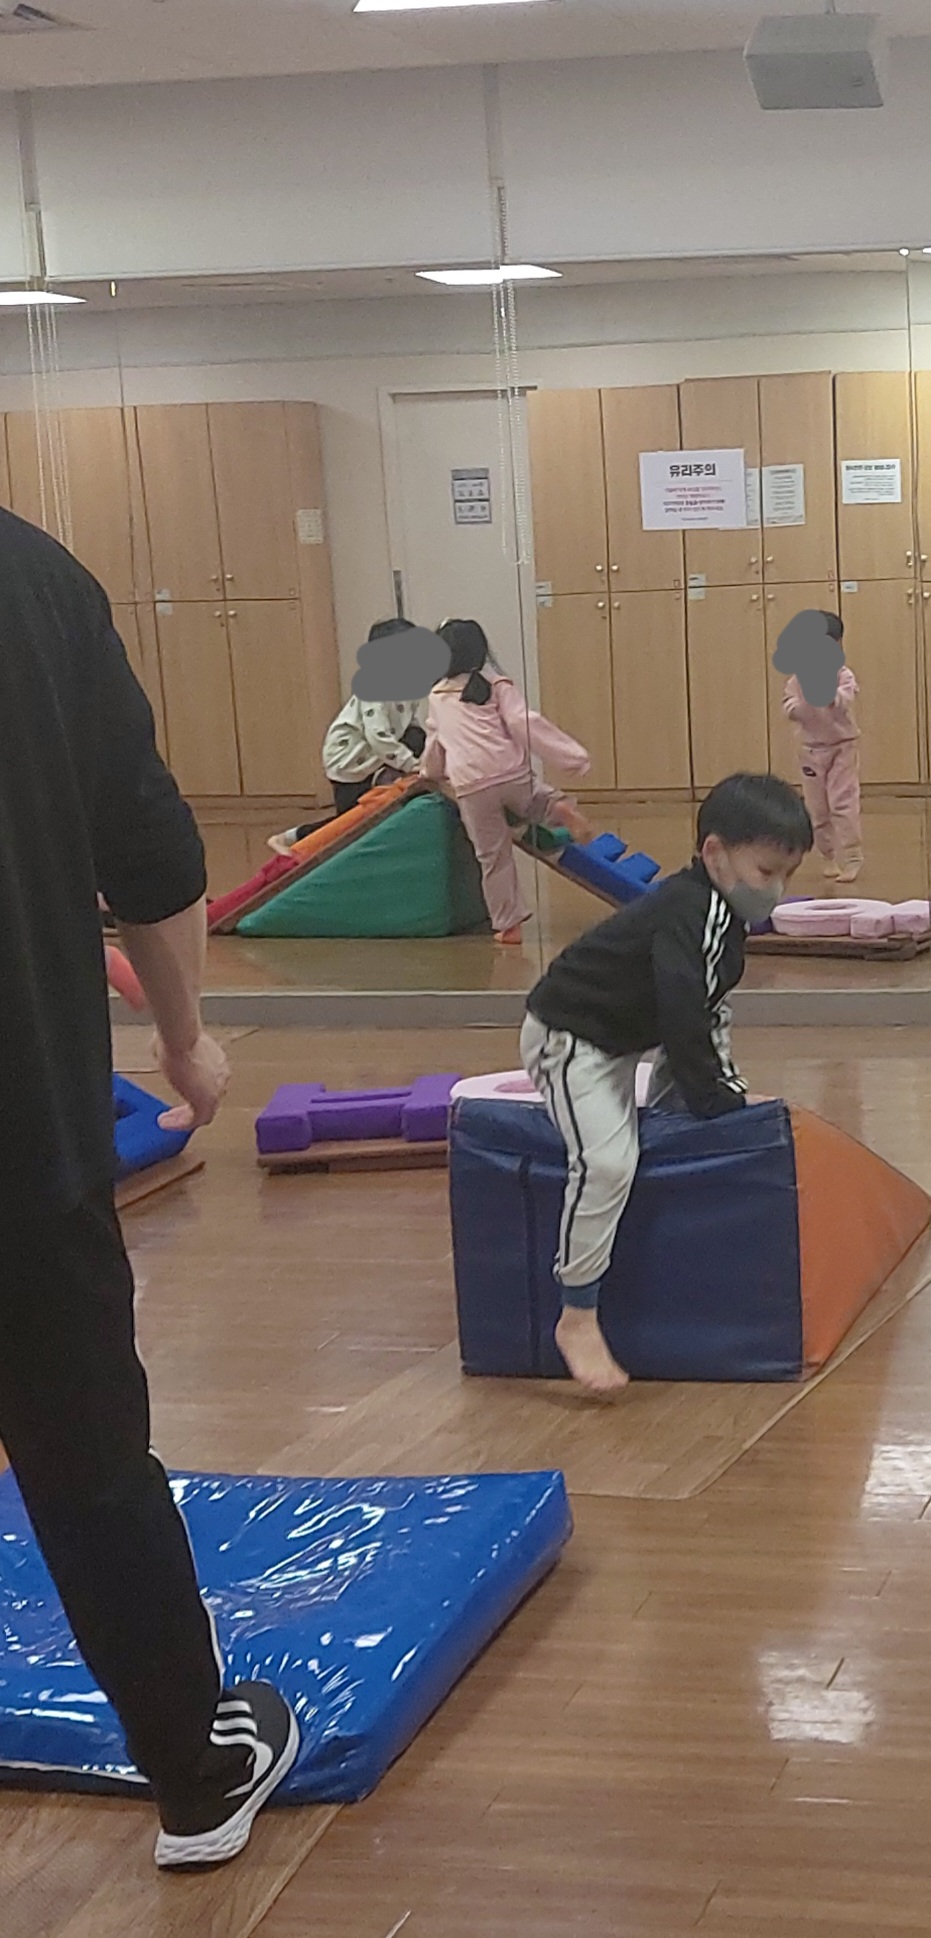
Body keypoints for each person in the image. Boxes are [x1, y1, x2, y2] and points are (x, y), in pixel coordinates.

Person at [0, 507, 298, 1870]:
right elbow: (154, 853)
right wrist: (184, 1038)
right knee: (87, 1459)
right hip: (24, 1139)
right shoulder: (32, 579)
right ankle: (193, 1767)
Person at [520, 772, 813, 1396]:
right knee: (607, 1164)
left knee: (681, 1124)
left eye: (787, 875)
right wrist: (713, 1098)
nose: (776, 890)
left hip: (627, 1038)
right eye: (766, 872)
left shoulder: (724, 920)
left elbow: (709, 1014)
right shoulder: (687, 909)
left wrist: (728, 1098)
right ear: (714, 853)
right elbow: (683, 1014)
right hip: (571, 1038)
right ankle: (577, 1313)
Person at [421, 617, 594, 943]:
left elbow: (435, 743)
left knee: (493, 856)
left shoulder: (438, 695)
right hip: (511, 773)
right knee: (535, 800)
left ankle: (508, 925)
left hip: (472, 784)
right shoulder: (497, 684)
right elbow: (525, 723)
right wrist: (573, 757)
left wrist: (429, 774)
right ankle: (558, 809)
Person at [266, 616, 429, 855]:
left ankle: (386, 780)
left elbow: (410, 725)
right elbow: (378, 736)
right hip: (347, 760)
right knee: (349, 823)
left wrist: (421, 760)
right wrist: (411, 765)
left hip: (371, 757)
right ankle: (292, 838)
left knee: (416, 736)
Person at [781, 610, 862, 882]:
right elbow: (789, 704)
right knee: (817, 808)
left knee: (842, 802)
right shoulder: (798, 678)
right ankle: (828, 856)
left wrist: (831, 697)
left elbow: (846, 697)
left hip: (842, 747)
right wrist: (798, 708)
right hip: (811, 751)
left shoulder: (842, 675)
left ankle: (852, 856)